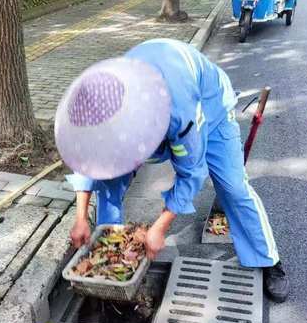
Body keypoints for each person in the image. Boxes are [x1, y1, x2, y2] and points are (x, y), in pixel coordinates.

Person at [55, 38, 289, 303]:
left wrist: (159, 228)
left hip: (210, 110)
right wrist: (81, 216)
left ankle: (268, 259)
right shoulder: (101, 106)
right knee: (109, 179)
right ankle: (109, 259)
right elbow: (90, 160)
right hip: (149, 102)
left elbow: (192, 173)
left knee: (233, 187)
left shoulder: (179, 112)